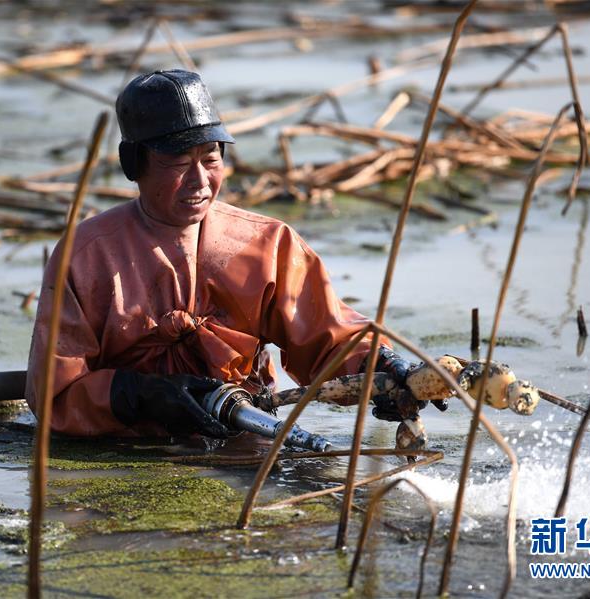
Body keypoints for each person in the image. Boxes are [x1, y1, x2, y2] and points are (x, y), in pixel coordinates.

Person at [24, 69, 424, 439]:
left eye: (211, 159)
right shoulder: (86, 256)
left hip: (245, 435)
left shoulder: (267, 244)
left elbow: (328, 339)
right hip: (120, 451)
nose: (199, 180)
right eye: (179, 161)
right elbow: (54, 397)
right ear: (133, 163)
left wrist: (381, 368)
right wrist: (139, 395)